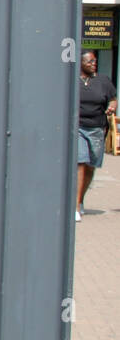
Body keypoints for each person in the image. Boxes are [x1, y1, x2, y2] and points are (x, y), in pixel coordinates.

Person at [76, 50, 117, 222]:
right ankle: (76, 206)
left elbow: (113, 98)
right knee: (81, 161)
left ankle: (81, 198)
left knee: (90, 167)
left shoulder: (103, 81)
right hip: (78, 127)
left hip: (97, 129)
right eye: (90, 61)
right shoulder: (73, 81)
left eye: (94, 61)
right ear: (81, 64)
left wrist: (112, 106)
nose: (94, 64)